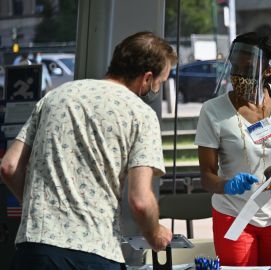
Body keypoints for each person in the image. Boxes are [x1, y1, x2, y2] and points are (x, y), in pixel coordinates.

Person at [0, 31, 177, 270]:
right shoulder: (141, 114)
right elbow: (140, 201)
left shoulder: (54, 97)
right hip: (95, 252)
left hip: (35, 249)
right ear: (146, 79)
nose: (157, 89)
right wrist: (156, 235)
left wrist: (40, 208)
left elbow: (9, 166)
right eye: (159, 83)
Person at [195, 32, 271, 266]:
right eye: (234, 66)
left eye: (247, 68)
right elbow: (206, 177)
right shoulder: (212, 110)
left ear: (267, 71)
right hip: (233, 215)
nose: (238, 75)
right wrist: (227, 184)